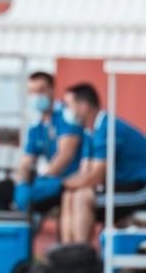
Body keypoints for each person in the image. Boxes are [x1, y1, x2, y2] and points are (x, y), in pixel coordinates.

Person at [60, 82, 146, 244]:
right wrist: (67, 185)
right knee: (70, 195)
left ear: (84, 106)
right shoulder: (90, 130)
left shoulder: (108, 127)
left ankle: (80, 257)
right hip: (124, 187)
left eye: (69, 105)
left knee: (83, 197)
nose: (66, 111)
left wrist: (59, 183)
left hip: (141, 189)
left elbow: (96, 176)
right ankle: (67, 257)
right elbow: (85, 171)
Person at [0, 72, 81, 217]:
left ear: (52, 90)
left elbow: (65, 156)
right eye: (32, 92)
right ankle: (3, 235)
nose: (36, 96)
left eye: (40, 90)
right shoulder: (36, 124)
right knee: (2, 189)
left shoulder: (66, 116)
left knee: (31, 198)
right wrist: (21, 182)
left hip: (64, 181)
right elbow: (26, 161)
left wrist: (39, 181)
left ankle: (23, 228)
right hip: (44, 180)